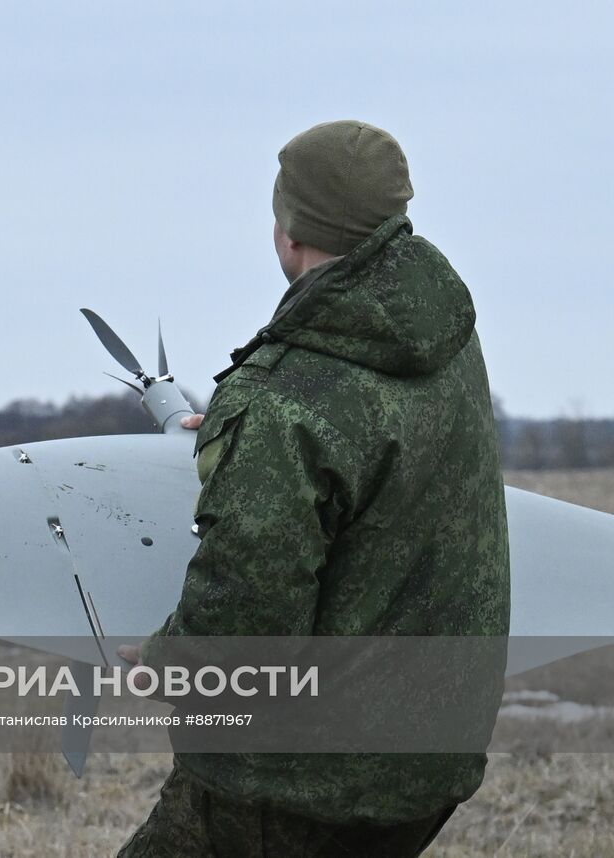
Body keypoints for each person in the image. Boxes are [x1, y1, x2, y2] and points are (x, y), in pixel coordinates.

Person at [115, 120, 510, 857]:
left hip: (299, 782)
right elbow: (374, 450)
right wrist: (244, 440)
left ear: (289, 233)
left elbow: (245, 624)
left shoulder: (287, 397)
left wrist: (165, 664)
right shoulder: (441, 338)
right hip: (428, 763)